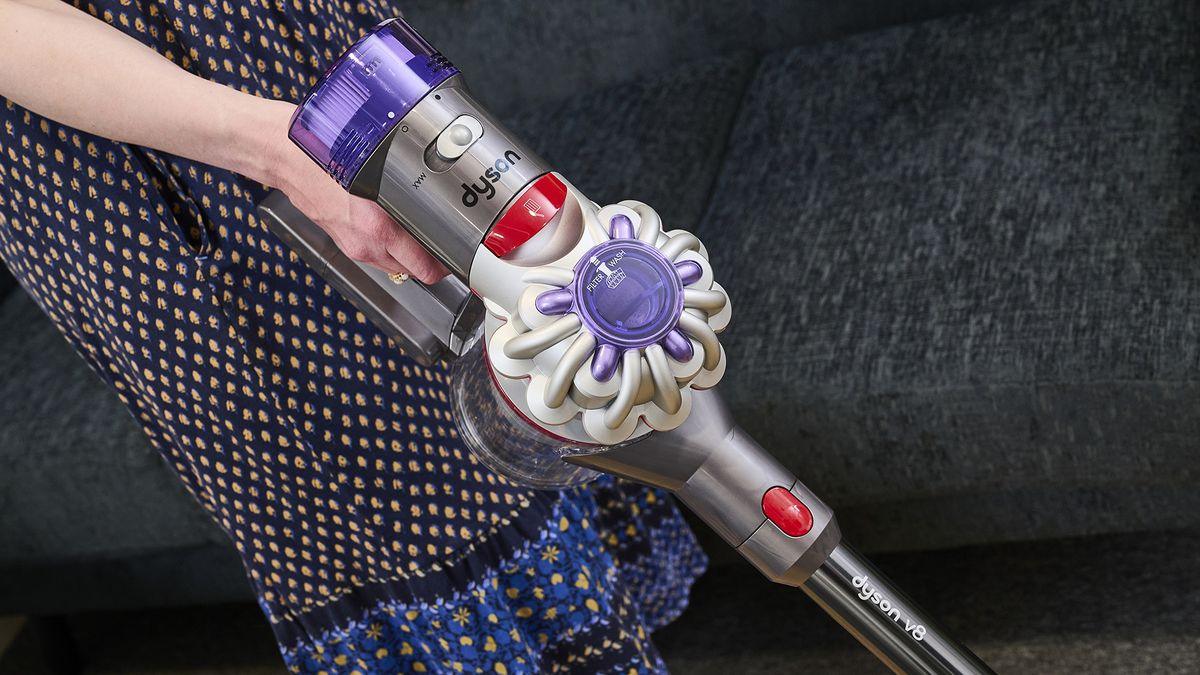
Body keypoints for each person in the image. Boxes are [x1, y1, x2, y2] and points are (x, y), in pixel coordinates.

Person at [0, 1, 706, 672]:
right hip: (162, 151)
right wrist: (279, 150)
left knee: (536, 349)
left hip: (341, 62)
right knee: (406, 488)